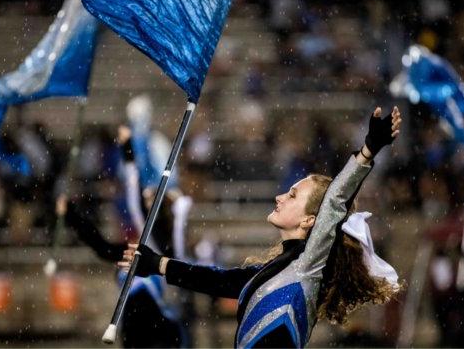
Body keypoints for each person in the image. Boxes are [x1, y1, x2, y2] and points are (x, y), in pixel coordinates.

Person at [120, 106, 403, 348]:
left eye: (292, 195)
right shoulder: (272, 271)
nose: (280, 197)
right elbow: (217, 280)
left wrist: (366, 153)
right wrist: (157, 264)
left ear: (310, 221)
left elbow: (334, 202)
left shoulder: (308, 264)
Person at [63, 124, 191, 348]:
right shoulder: (138, 248)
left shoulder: (161, 245)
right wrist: (70, 215)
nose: (147, 199)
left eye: (152, 200)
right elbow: (101, 246)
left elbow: (137, 203)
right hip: (135, 329)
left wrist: (128, 151)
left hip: (156, 328)